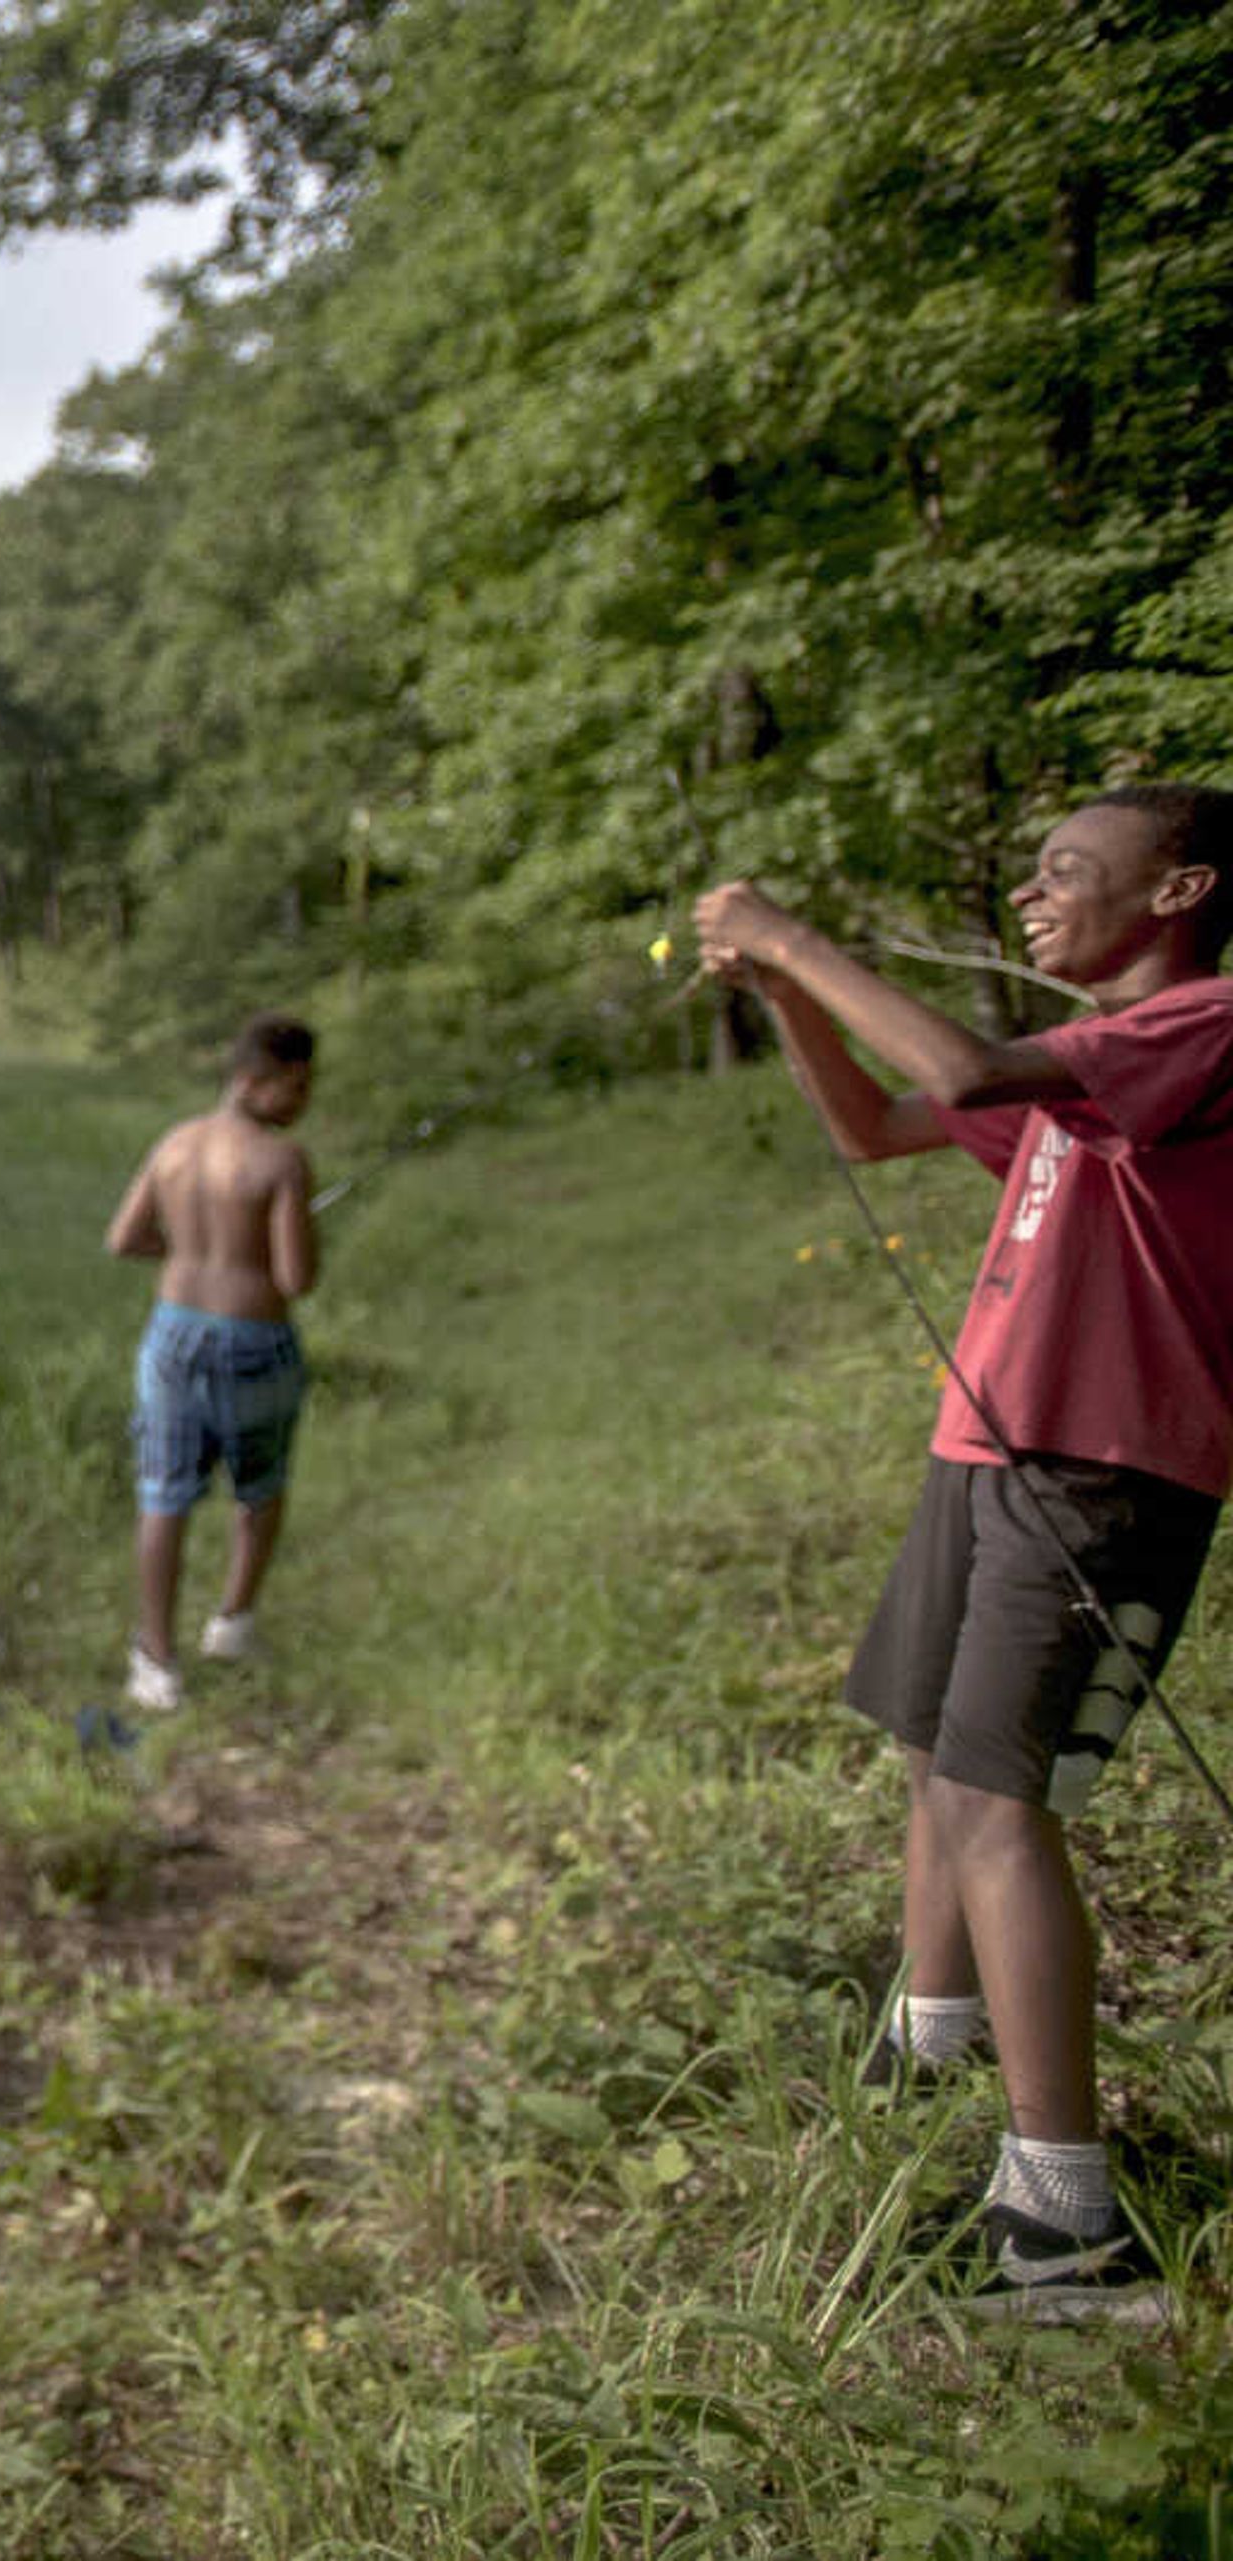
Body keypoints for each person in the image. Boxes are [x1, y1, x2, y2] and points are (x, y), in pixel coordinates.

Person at [696, 781, 1233, 2316]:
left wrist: (793, 932)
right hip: (982, 1450)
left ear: (1182, 889)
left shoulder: (1194, 1029)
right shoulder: (1078, 1082)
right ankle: (928, 2048)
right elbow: (878, 1123)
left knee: (1000, 1804)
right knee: (936, 1759)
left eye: (1072, 873)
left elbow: (961, 1057)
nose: (1035, 897)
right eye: (1033, 875)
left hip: (1101, 1474)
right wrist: (790, 992)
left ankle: (1066, 2224)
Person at [105, 1012, 319, 1713]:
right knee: (259, 1487)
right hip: (254, 1344)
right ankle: (231, 1621)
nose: (303, 1102)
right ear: (255, 1079)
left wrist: (192, 1256)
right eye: (296, 1086)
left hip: (170, 1336)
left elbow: (125, 1238)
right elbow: (296, 1276)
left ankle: (155, 1658)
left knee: (164, 1493)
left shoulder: (175, 1143)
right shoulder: (281, 1160)